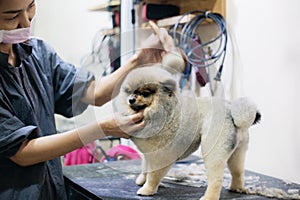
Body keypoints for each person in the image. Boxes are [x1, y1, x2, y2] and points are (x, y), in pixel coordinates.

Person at [0, 0, 180, 199]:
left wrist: (140, 60)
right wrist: (102, 128)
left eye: (31, 6)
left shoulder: (38, 53)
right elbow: (23, 153)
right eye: (11, 16)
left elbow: (94, 92)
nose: (26, 22)